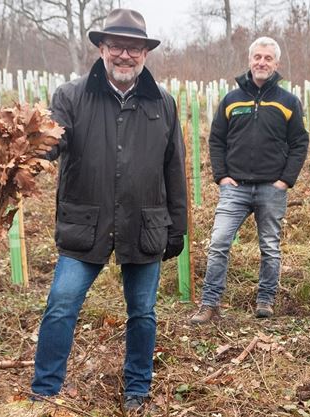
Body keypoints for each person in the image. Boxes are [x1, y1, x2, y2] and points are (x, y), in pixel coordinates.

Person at [29, 8, 187, 412]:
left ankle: (137, 390)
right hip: (87, 223)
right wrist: (33, 152)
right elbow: (51, 141)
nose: (124, 55)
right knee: (62, 304)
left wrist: (177, 228)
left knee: (143, 312)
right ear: (101, 48)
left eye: (133, 48)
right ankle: (45, 391)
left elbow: (174, 168)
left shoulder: (163, 103)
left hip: (144, 223)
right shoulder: (70, 96)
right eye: (116, 46)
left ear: (145, 54)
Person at [189, 36, 309, 323]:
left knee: (269, 246)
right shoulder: (231, 100)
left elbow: (299, 143)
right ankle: (209, 304)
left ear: (276, 64)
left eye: (268, 58)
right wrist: (222, 176)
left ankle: (265, 300)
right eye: (258, 57)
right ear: (250, 60)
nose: (262, 62)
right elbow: (216, 139)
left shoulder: (288, 102)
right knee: (218, 242)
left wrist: (285, 180)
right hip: (235, 188)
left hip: (272, 188)